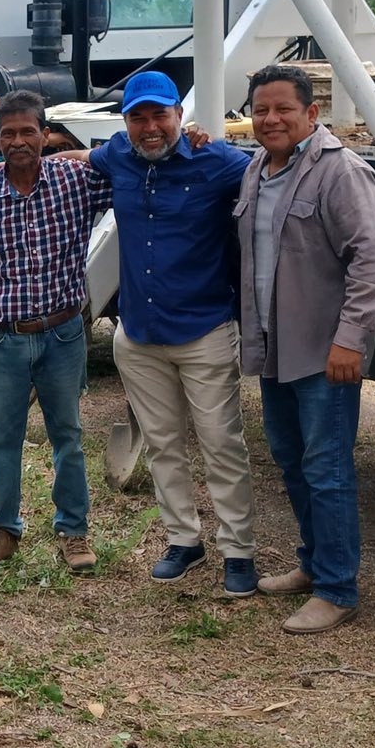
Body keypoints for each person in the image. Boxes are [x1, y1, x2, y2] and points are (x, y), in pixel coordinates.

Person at [235, 64, 375, 634]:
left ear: (311, 113)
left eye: (283, 108)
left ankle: (337, 588)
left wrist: (350, 340)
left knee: (327, 469)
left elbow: (373, 264)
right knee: (292, 462)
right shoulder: (258, 167)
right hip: (274, 350)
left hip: (323, 354)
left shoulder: (341, 173)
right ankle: (313, 565)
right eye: (261, 109)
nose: (271, 118)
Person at [85, 71, 258, 594]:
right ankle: (184, 540)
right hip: (138, 336)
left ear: (180, 117)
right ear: (127, 123)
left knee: (221, 443)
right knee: (162, 444)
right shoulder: (118, 155)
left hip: (203, 330)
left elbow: (274, 169)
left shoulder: (221, 162)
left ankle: (238, 549)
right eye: (138, 117)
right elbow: (76, 159)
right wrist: (22, 160)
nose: (150, 126)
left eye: (160, 114)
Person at [0, 90, 113, 573]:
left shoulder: (76, 179)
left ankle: (74, 531)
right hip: (2, 338)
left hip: (63, 334)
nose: (18, 141)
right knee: (3, 438)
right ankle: (2, 530)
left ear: (46, 135)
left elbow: (135, 173)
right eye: (8, 134)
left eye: (28, 131)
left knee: (68, 434)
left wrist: (187, 140)